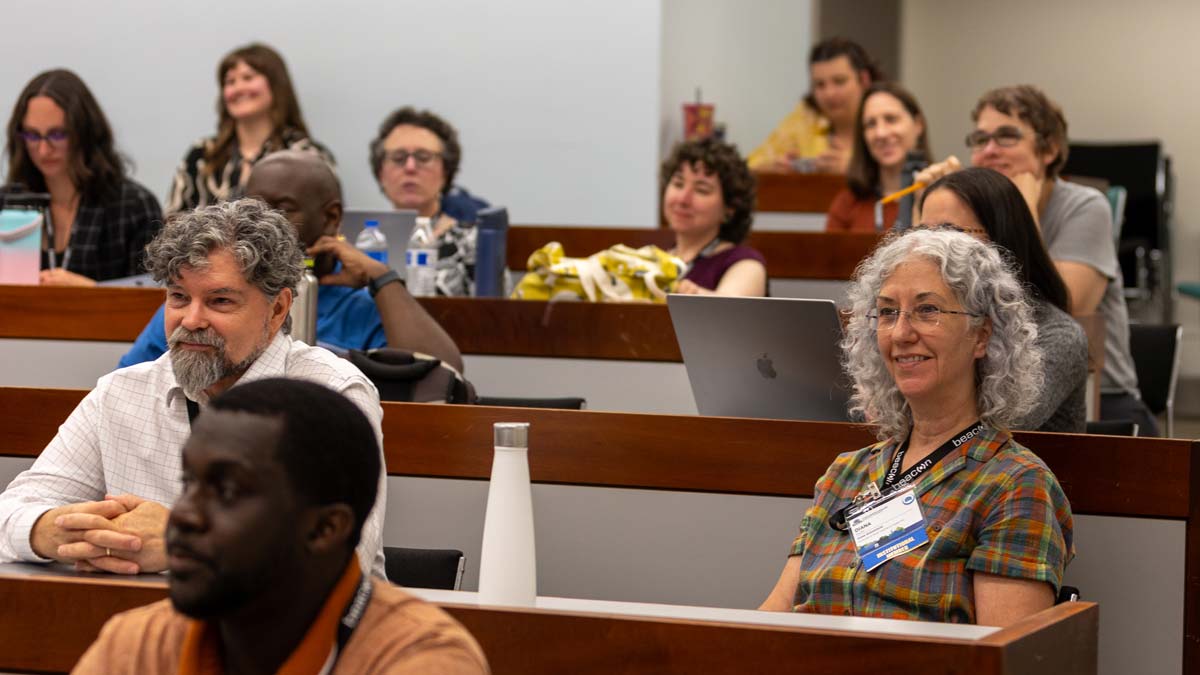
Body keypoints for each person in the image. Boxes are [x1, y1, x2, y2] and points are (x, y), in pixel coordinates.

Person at [0, 199, 386, 576]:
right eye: (179, 297)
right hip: (140, 614)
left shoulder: (333, 395)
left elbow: (339, 558)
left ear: (277, 309)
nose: (191, 319)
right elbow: (12, 511)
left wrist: (184, 540)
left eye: (220, 301)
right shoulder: (123, 393)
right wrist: (52, 531)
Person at [760, 228, 1073, 625]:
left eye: (927, 310)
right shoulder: (844, 475)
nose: (901, 333)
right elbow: (769, 623)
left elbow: (1005, 653)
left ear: (981, 336)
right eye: (888, 312)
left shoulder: (1015, 485)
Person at [73, 378, 489, 674]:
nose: (183, 514)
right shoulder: (138, 645)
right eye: (188, 483)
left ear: (325, 529)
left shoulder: (419, 660)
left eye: (228, 492)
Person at [917, 85, 1154, 434]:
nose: (990, 150)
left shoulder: (1087, 205)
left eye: (1006, 137)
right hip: (980, 384)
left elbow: (1066, 305)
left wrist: (1021, 211)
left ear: (1049, 148)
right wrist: (931, 206)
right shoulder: (967, 211)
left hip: (1101, 396)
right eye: (980, 140)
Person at [119, 150, 464, 373]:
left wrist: (382, 278)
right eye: (252, 206)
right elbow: (129, 382)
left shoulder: (362, 304)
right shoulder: (206, 296)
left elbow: (443, 376)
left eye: (282, 208)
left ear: (331, 217)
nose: (261, 221)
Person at [918, 167, 1087, 432]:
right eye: (920, 234)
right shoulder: (911, 322)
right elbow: (864, 414)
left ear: (999, 241)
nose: (928, 250)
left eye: (948, 234)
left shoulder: (1058, 334)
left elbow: (1000, 425)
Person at [4, 69, 162, 285]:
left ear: (85, 132)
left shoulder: (134, 207)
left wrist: (91, 292)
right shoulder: (7, 205)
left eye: (57, 134)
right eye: (32, 135)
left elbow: (154, 297)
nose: (43, 149)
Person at [165, 43, 331, 216]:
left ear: (276, 85)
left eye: (248, 77)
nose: (238, 88)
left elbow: (324, 222)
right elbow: (172, 221)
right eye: (230, 81)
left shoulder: (307, 155)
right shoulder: (202, 155)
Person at [369, 107, 490, 296]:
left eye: (423, 157)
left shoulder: (473, 241)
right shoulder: (364, 240)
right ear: (380, 172)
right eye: (398, 158)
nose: (410, 167)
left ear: (446, 171)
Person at [746, 37, 883, 174]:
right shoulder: (804, 119)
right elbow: (746, 168)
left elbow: (895, 174)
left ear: (864, 80)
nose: (829, 93)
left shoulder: (886, 115)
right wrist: (769, 171)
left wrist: (856, 169)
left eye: (839, 81)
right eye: (820, 85)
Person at [660, 137, 766, 296]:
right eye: (678, 184)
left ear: (730, 208)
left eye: (701, 190)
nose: (682, 199)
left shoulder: (746, 264)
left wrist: (686, 292)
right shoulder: (654, 260)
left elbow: (730, 307)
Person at [825, 82, 932, 232]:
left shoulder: (942, 198)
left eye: (891, 119)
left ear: (918, 124)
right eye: (871, 124)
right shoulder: (847, 203)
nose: (880, 133)